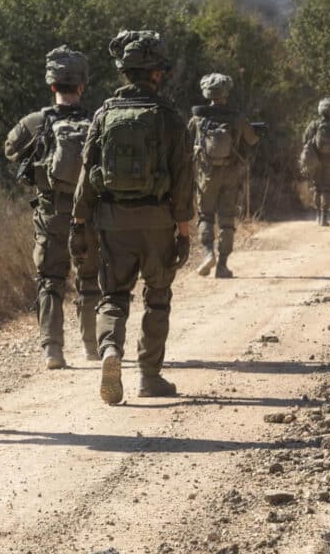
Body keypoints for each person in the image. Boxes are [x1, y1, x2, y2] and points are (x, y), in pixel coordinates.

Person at [70, 30, 193, 404]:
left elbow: (85, 173)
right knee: (157, 297)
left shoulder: (104, 114)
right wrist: (184, 229)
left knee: (113, 296)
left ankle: (110, 350)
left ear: (125, 72)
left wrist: (79, 223)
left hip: (111, 221)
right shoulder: (170, 116)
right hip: (157, 222)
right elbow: (184, 178)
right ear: (156, 73)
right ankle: (149, 376)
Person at [4, 46, 100, 370]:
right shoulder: (96, 120)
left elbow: (9, 149)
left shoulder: (36, 122)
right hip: (89, 212)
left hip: (51, 213)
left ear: (52, 86)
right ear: (82, 85)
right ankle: (91, 345)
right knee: (89, 277)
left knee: (50, 279)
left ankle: (53, 350)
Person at [187, 73, 261, 278]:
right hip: (230, 174)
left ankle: (208, 253)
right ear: (226, 92)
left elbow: (186, 142)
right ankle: (222, 265)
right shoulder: (237, 117)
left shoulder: (198, 117)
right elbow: (253, 140)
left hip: (206, 175)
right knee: (227, 220)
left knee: (205, 215)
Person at [303, 98, 330, 226]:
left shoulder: (315, 124)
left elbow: (304, 139)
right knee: (327, 188)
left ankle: (317, 216)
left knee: (317, 187)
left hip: (316, 160)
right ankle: (324, 217)